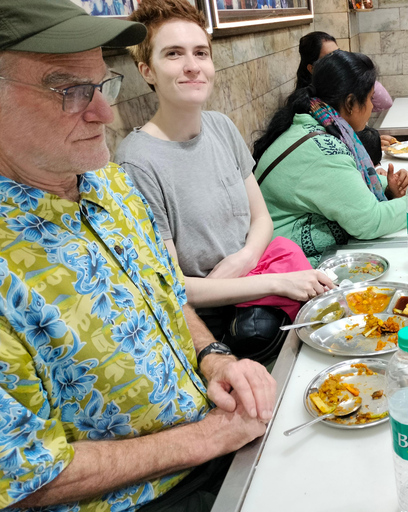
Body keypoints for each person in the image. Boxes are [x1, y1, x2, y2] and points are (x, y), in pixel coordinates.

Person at [0, 0, 276, 510]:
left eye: (102, 86)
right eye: (70, 91)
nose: (104, 113)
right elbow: (24, 476)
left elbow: (166, 295)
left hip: (217, 438)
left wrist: (214, 359)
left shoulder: (109, 184)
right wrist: (209, 437)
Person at [115, 0, 332, 364]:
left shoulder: (221, 126)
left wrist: (244, 259)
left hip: (264, 292)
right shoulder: (136, 162)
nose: (192, 66)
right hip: (219, 333)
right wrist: (277, 282)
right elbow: (171, 285)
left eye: (200, 53)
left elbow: (261, 219)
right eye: (173, 54)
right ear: (147, 70)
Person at [253, 51, 408, 266]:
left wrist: (388, 186)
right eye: (370, 98)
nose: (372, 107)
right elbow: (371, 222)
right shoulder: (325, 151)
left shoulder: (312, 124)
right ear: (350, 103)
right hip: (286, 265)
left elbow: (346, 183)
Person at [294, 31, 392, 113]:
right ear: (312, 68)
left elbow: (385, 102)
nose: (338, 60)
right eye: (329, 57)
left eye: (338, 53)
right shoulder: (314, 103)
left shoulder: (345, 83)